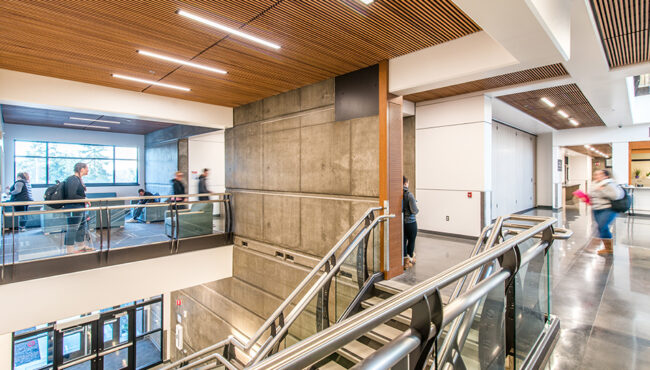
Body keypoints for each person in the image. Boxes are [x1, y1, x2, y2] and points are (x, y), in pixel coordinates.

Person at [588, 169, 623, 255]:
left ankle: (607, 248)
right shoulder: (594, 184)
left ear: (606, 176)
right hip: (597, 209)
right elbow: (592, 195)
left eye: (600, 174)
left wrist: (602, 190)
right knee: (601, 228)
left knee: (602, 227)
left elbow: (616, 195)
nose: (597, 176)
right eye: (595, 175)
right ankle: (607, 247)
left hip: (608, 209)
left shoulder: (609, 184)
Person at [63, 162, 92, 253]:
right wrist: (84, 198)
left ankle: (81, 246)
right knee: (73, 228)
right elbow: (71, 195)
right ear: (81, 169)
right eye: (87, 168)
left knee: (81, 227)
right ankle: (70, 249)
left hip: (79, 207)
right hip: (74, 207)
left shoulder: (78, 179)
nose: (88, 170)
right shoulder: (73, 179)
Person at [403, 176, 419, 269]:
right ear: (405, 183)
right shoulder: (409, 195)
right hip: (411, 222)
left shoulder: (398, 194)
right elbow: (414, 210)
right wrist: (417, 209)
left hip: (402, 223)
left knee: (404, 241)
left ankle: (404, 262)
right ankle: (410, 260)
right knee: (411, 241)